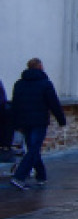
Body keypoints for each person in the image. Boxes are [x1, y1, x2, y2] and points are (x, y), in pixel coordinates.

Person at [9, 58, 66, 190]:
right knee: (34, 149)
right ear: (40, 66)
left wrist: (15, 122)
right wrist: (61, 119)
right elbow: (54, 103)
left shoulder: (19, 84)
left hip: (24, 121)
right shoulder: (45, 84)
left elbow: (15, 104)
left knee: (33, 149)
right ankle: (19, 176)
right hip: (39, 121)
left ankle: (41, 175)